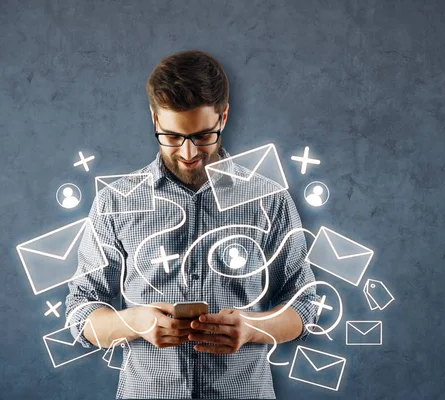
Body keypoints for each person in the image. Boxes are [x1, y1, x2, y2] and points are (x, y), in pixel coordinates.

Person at [65, 50, 320, 399]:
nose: (188, 153)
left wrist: (253, 327)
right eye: (172, 137)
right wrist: (135, 322)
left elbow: (304, 305)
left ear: (224, 117)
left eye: (202, 136)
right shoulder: (115, 203)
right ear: (155, 121)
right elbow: (81, 310)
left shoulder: (269, 200)